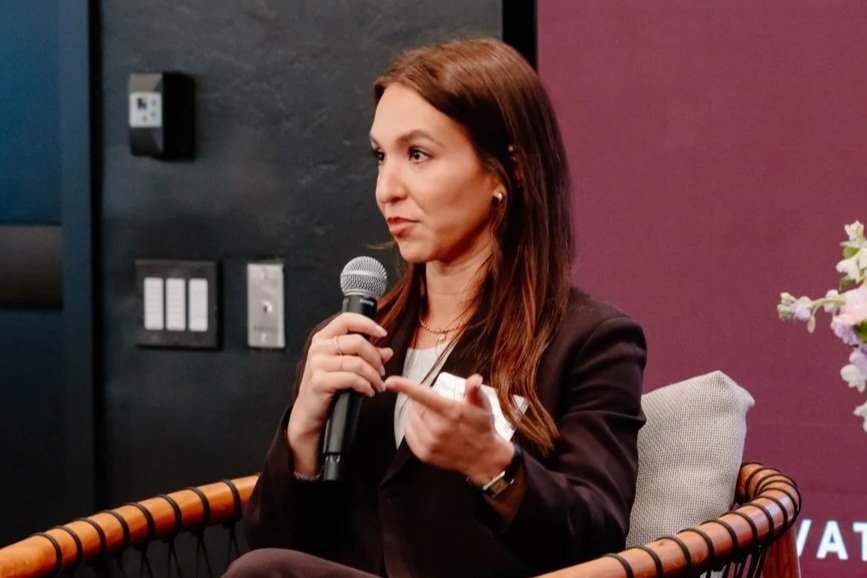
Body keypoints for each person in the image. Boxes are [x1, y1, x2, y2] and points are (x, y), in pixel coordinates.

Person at [224, 37, 646, 578]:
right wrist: (303, 431)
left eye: (418, 155)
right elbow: (278, 540)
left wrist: (494, 464)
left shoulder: (590, 342)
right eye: (381, 157)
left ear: (507, 171)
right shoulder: (355, 338)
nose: (387, 189)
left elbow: (597, 532)